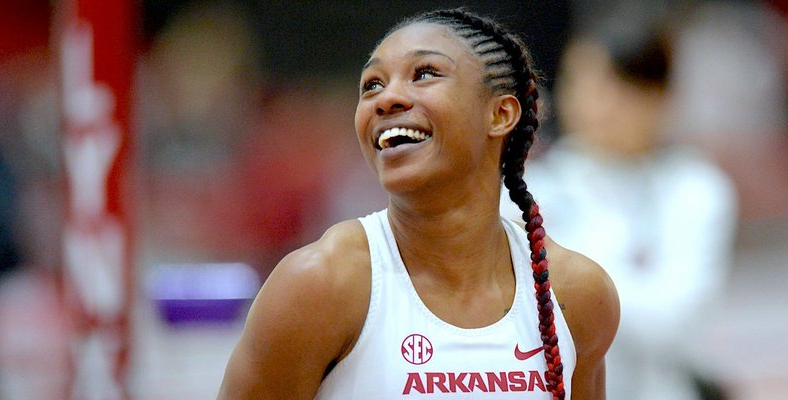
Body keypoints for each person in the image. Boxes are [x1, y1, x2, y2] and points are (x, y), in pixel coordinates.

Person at [218, 8, 619, 400]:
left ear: (500, 114)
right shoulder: (321, 283)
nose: (387, 98)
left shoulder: (577, 294)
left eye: (424, 74)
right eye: (372, 85)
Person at [500, 14, 737, 400]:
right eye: (580, 83)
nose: (594, 103)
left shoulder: (695, 189)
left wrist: (562, 261)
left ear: (658, 96)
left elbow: (673, 321)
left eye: (614, 86)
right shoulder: (524, 193)